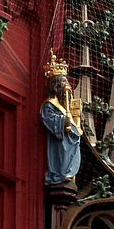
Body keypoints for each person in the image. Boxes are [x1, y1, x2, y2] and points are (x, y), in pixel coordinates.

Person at [40, 54, 83, 186]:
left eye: (67, 82)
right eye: (63, 82)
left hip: (71, 139)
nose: (66, 85)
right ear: (55, 85)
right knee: (62, 154)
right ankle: (61, 174)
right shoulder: (50, 103)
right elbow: (47, 118)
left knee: (73, 150)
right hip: (60, 140)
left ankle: (69, 174)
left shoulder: (65, 106)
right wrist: (61, 121)